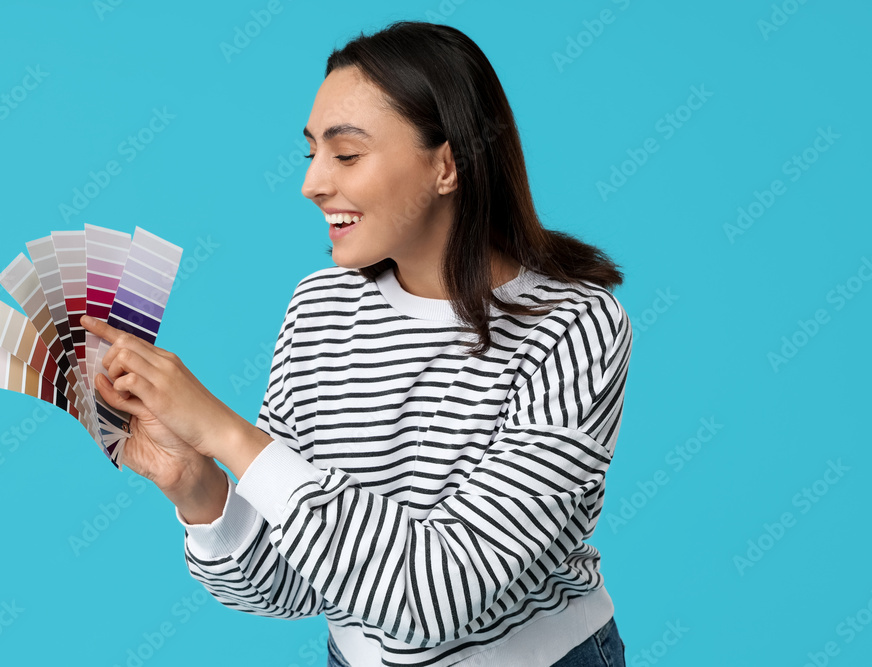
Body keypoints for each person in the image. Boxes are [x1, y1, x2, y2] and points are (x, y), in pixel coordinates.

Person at [81, 20, 631, 667]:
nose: (312, 183)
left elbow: (435, 600)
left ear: (447, 164)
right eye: (310, 152)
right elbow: (292, 583)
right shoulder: (320, 305)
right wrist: (194, 483)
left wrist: (228, 434)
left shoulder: (573, 325)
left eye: (345, 155)